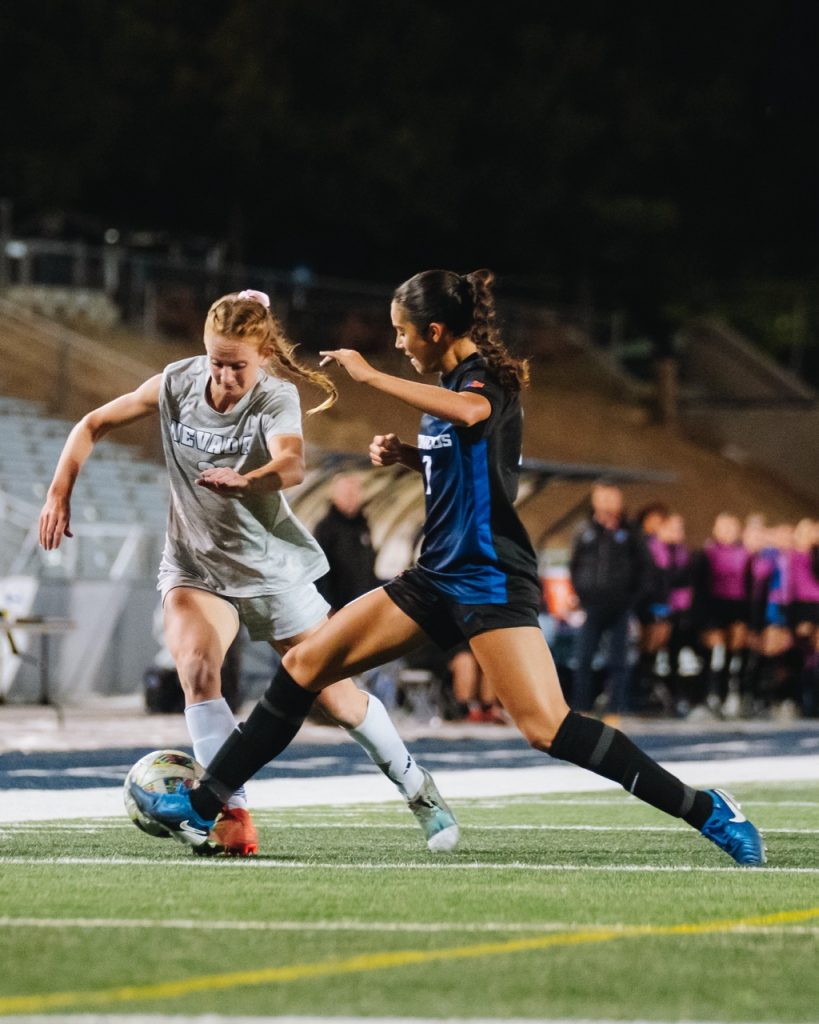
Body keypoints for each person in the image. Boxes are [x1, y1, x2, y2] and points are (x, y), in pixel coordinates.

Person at [131, 268, 765, 866]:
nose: (398, 343)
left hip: (490, 578)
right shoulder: (441, 396)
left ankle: (708, 810)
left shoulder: (482, 380)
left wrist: (371, 377)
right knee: (303, 666)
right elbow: (468, 473)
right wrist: (408, 455)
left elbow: (473, 416)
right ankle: (207, 801)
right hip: (434, 576)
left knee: (548, 728)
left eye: (403, 331)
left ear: (435, 331)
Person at [39, 287, 458, 856]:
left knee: (336, 700)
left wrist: (248, 478)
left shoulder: (274, 397)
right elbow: (91, 424)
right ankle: (231, 817)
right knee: (196, 667)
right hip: (194, 565)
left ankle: (417, 788)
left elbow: (291, 465)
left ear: (261, 356)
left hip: (269, 570)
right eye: (216, 361)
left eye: (237, 365)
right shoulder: (177, 383)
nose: (225, 376)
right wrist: (59, 491)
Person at [569, 483, 650, 723]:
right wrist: (581, 594)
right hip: (592, 605)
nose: (607, 504)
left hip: (620, 606)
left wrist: (631, 599)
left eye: (612, 498)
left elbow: (644, 568)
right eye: (602, 498)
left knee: (619, 660)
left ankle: (616, 709)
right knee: (583, 657)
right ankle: (581, 708)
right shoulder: (585, 530)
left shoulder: (631, 532)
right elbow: (575, 565)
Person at [313, 471, 380, 612]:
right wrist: (328, 607)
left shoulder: (363, 525)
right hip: (339, 607)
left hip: (363, 603)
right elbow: (320, 573)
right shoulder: (326, 528)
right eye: (346, 493)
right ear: (335, 496)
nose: (351, 498)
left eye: (354, 492)